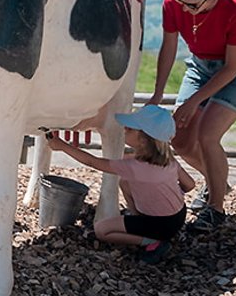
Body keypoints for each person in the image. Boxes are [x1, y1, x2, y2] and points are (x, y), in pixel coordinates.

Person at [147, 0, 236, 233]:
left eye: (193, 5)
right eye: (181, 1)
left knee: (207, 136)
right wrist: (158, 93)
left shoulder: (235, 10)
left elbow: (232, 68)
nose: (185, 9)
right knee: (182, 140)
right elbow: (169, 48)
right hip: (200, 67)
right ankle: (217, 181)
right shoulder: (173, 2)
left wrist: (193, 101)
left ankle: (216, 208)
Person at [45, 106, 195, 264]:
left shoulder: (132, 167)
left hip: (157, 225)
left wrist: (62, 146)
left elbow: (92, 162)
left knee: (101, 230)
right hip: (178, 217)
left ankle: (151, 242)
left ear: (143, 139)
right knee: (125, 181)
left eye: (130, 129)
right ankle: (140, 220)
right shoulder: (169, 159)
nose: (124, 129)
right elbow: (190, 185)